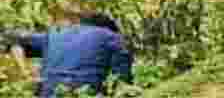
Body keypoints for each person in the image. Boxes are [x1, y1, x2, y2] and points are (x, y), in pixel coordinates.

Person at [3, 13, 133, 97]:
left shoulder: (55, 34)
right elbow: (122, 82)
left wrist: (27, 74)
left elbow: (13, 39)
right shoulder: (112, 37)